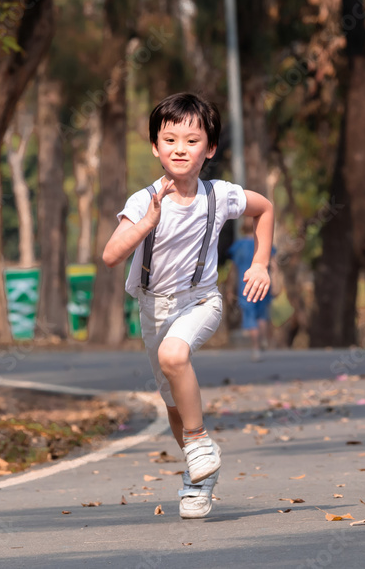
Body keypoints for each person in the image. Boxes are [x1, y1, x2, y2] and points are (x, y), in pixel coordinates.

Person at [101, 92, 273, 519]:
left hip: (201, 301)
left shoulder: (220, 195)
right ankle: (199, 479)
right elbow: (110, 254)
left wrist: (261, 264)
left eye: (192, 140)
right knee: (175, 404)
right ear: (156, 147)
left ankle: (199, 444)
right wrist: (146, 224)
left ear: (210, 149)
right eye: (171, 139)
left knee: (174, 355)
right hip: (153, 308)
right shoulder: (144, 201)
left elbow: (265, 208)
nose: (181, 148)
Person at [228, 216, 275, 362]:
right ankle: (263, 340)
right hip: (263, 283)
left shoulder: (238, 246)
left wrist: (230, 288)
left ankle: (255, 348)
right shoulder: (263, 244)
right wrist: (276, 282)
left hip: (246, 285)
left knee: (250, 315)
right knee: (262, 315)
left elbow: (233, 270)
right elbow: (274, 265)